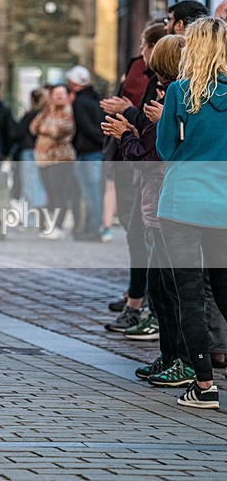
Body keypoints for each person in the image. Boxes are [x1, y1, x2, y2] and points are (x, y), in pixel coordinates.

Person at [101, 34, 194, 386]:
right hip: (160, 203)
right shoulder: (169, 95)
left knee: (171, 290)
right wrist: (135, 128)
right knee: (161, 288)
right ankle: (170, 357)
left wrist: (126, 134)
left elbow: (153, 157)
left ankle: (182, 361)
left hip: (168, 204)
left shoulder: (176, 97)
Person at [156, 17, 227, 410]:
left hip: (182, 202)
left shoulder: (180, 92)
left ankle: (204, 385)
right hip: (223, 205)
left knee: (189, 295)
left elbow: (166, 148)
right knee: (224, 292)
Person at [30, 84, 76, 240]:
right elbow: (33, 127)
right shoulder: (47, 110)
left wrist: (44, 128)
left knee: (59, 194)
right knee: (49, 194)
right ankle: (50, 225)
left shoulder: (68, 111)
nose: (59, 96)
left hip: (60, 159)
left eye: (62, 94)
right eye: (56, 94)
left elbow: (58, 131)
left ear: (68, 96)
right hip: (43, 159)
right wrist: (45, 122)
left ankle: (58, 226)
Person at [65, 65, 105, 241]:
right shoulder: (96, 99)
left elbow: (85, 127)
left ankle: (93, 229)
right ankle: (92, 227)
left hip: (87, 152)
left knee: (90, 193)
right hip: (96, 151)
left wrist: (95, 140)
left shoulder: (80, 102)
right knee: (94, 191)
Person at [14, 89, 48, 228]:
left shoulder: (32, 115)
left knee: (31, 185)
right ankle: (30, 219)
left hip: (29, 151)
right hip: (40, 152)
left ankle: (36, 220)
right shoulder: (45, 114)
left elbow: (18, 132)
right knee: (35, 184)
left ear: (33, 99)